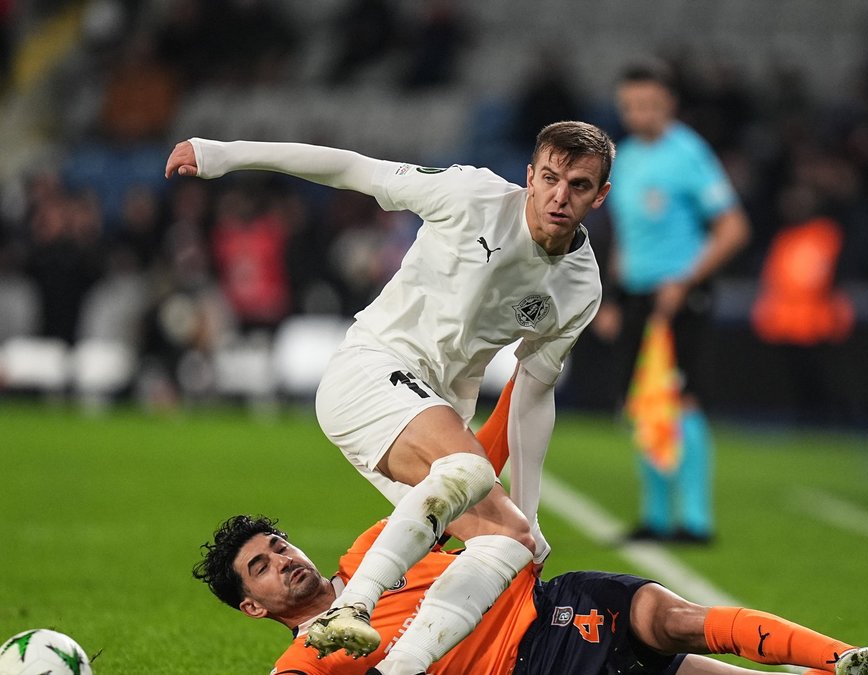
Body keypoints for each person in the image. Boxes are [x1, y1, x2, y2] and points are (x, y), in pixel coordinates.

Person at [165, 121, 613, 675]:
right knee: (470, 470)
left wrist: (530, 510)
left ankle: (398, 668)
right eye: (549, 178)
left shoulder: (580, 287)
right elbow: (353, 167)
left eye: (579, 185)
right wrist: (221, 153)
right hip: (370, 371)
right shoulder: (470, 196)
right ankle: (351, 605)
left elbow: (533, 395)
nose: (560, 196)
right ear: (530, 176)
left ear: (600, 195)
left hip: (430, 410)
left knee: (511, 541)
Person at [193, 513, 868, 675]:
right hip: (532, 670)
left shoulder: (379, 544)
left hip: (558, 608)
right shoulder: (311, 656)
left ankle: (849, 652)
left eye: (279, 546)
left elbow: (467, 480)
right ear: (256, 607)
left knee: (672, 615)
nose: (284, 562)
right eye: (263, 569)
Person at [600, 59, 751, 543]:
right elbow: (625, 236)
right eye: (629, 105)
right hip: (639, 295)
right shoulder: (622, 158)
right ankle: (657, 518)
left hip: (683, 296)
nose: (638, 113)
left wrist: (684, 281)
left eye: (647, 103)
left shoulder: (688, 153)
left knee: (682, 400)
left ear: (669, 103)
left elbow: (733, 228)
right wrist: (612, 298)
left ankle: (696, 520)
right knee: (644, 403)